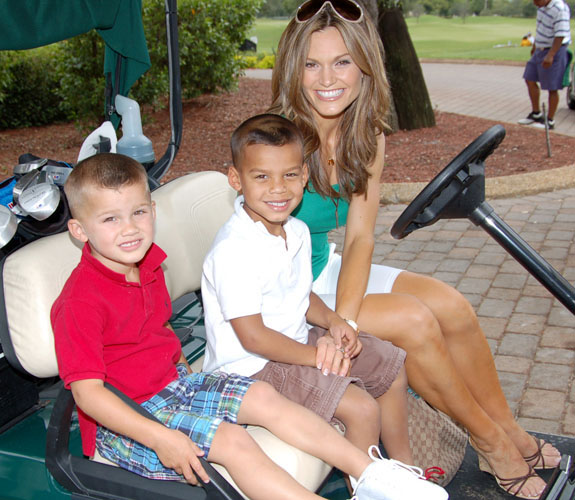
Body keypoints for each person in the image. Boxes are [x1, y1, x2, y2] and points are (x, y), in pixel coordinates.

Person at [268, 0, 562, 498]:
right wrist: (338, 320)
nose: (326, 79)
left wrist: (350, 320)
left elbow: (360, 236)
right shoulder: (277, 138)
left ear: (365, 66)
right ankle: (490, 444)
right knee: (414, 320)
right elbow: (263, 263)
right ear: (293, 70)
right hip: (281, 290)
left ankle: (509, 429)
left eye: (342, 62)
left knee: (451, 305)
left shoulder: (366, 135)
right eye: (311, 64)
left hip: (324, 268)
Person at [50, 152, 447, 500]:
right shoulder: (80, 302)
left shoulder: (147, 264)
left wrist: (185, 370)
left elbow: (155, 331)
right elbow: (88, 395)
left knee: (263, 397)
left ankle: (375, 475)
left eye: (138, 213)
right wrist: (160, 437)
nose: (130, 229)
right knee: (235, 442)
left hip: (175, 387)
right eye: (110, 219)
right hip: (131, 419)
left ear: (153, 212)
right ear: (80, 231)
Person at [201, 114, 444, 497]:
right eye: (261, 177)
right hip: (250, 368)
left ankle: (404, 474)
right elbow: (253, 337)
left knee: (392, 364)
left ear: (304, 176)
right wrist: (315, 355)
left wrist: (334, 323)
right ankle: (367, 489)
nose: (278, 189)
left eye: (291, 175)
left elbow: (301, 295)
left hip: (294, 340)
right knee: (362, 409)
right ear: (236, 179)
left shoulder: (294, 230)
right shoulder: (234, 250)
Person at [517, 0, 571, 130]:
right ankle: (536, 113)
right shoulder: (541, 8)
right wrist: (535, 46)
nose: (534, 3)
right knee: (529, 79)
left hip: (555, 50)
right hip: (540, 49)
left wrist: (551, 55)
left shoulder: (560, 9)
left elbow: (560, 35)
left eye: (536, 0)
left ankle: (550, 121)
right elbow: (540, 29)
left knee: (552, 87)